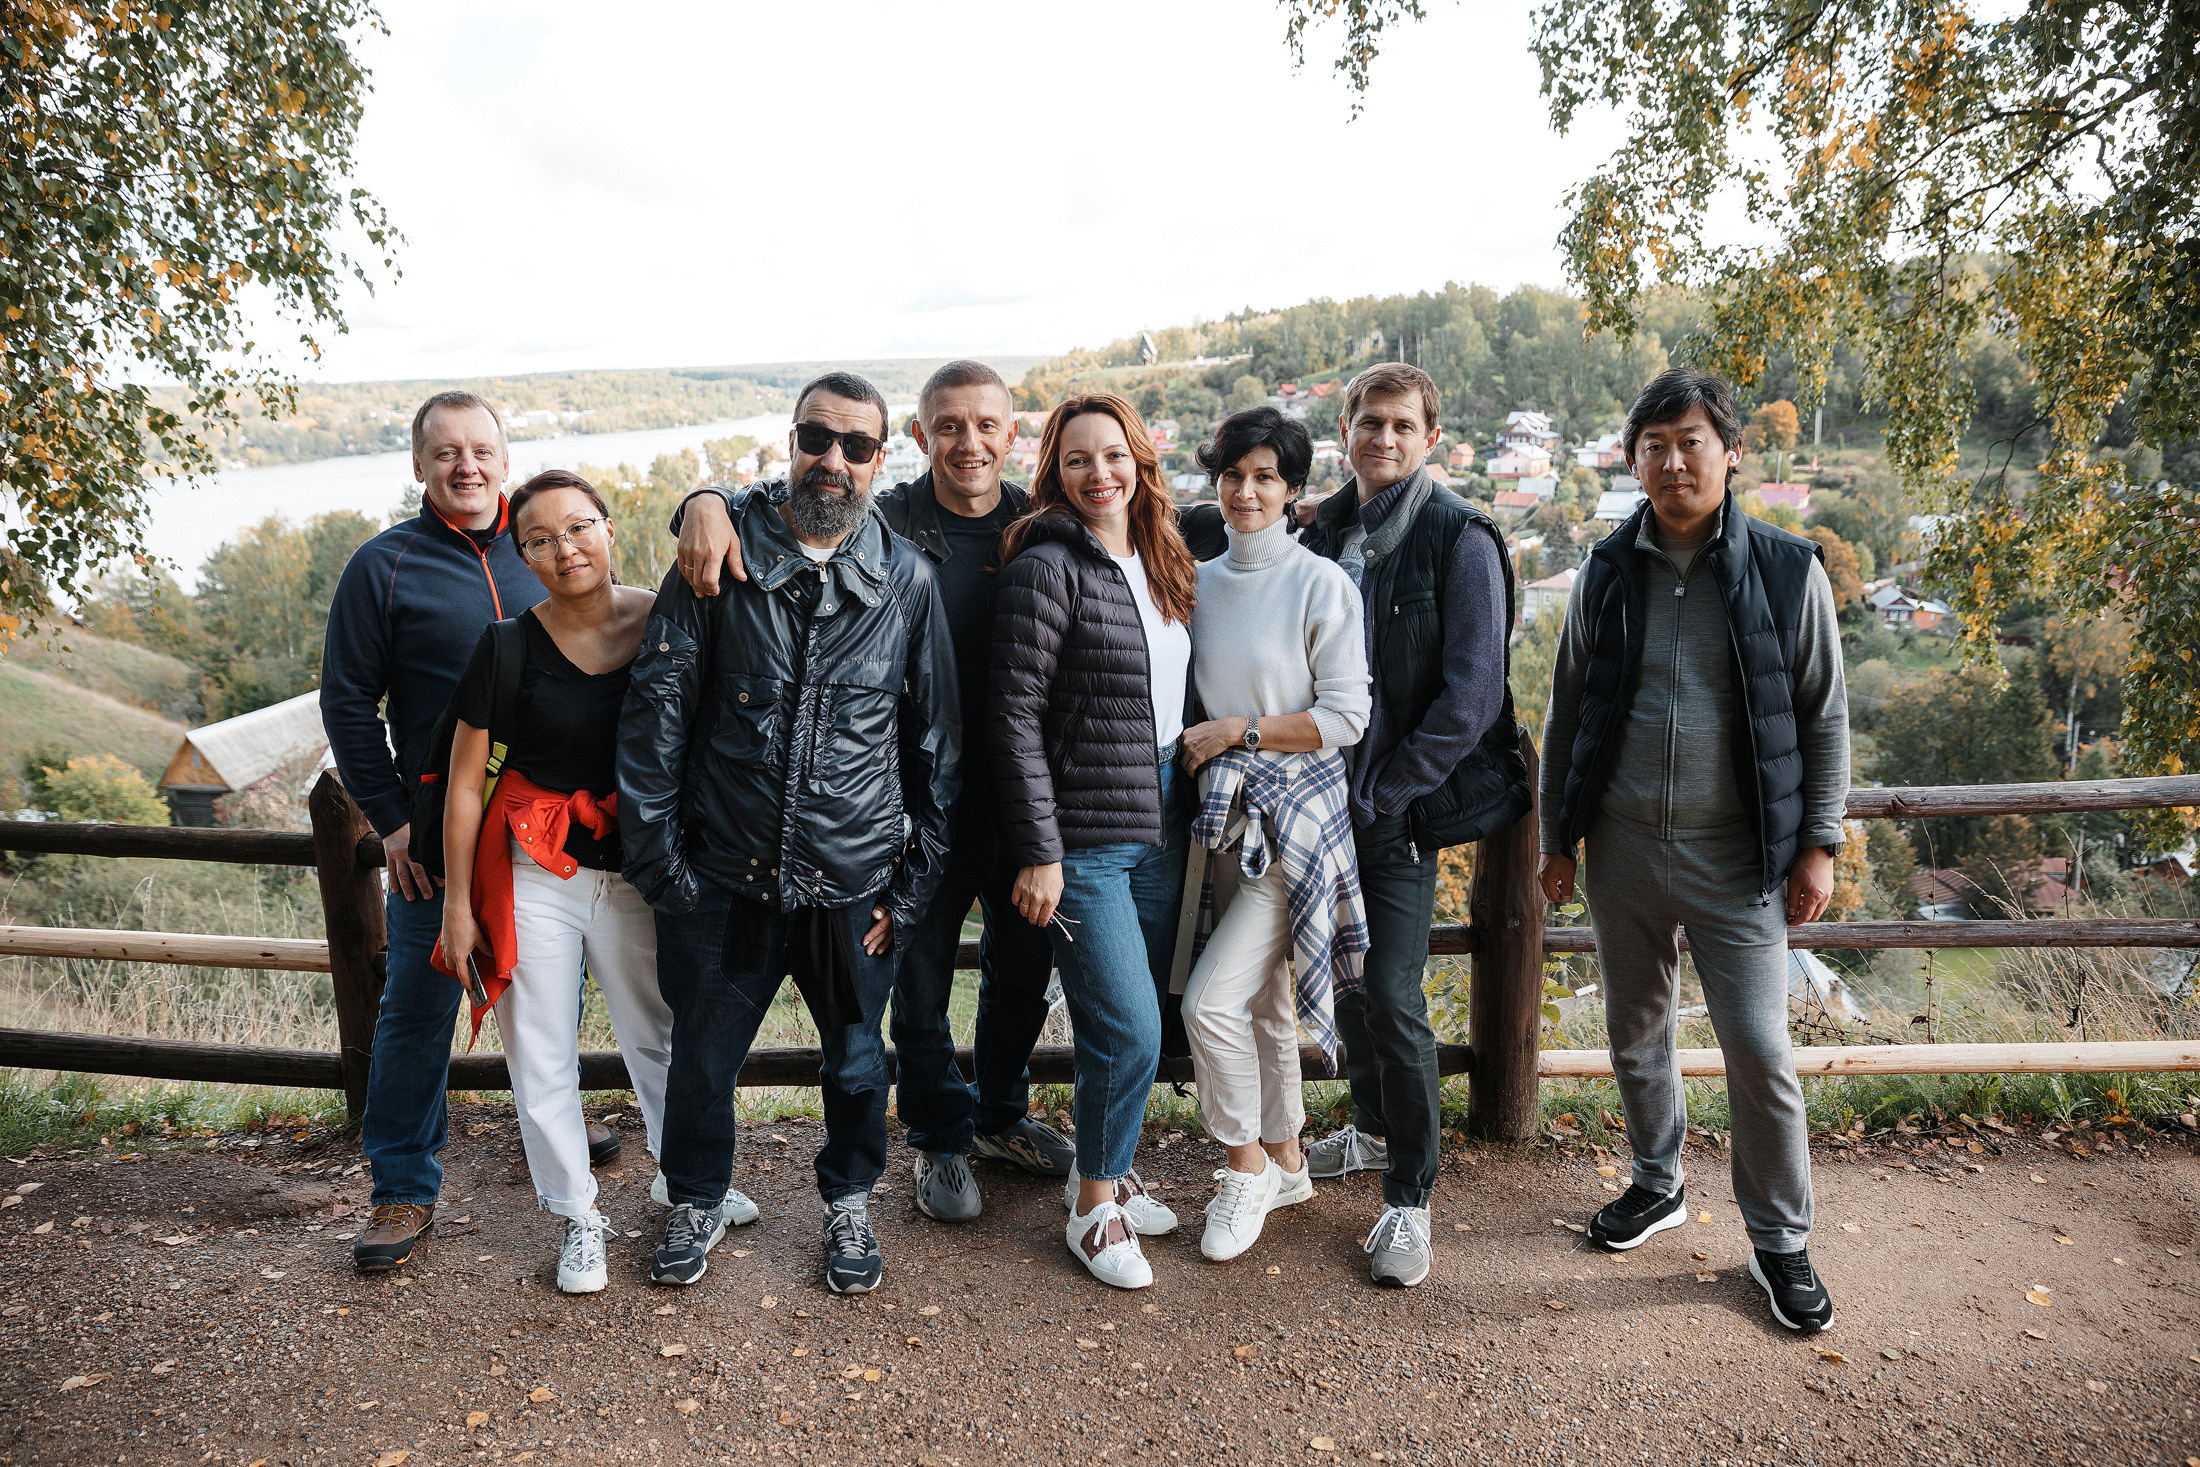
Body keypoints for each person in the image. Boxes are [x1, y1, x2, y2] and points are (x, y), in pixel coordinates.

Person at [667, 362, 1073, 1223]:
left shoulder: (1042, 529)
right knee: (917, 988)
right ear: (920, 441)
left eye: (987, 425)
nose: (969, 442)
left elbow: (1141, 528)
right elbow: (773, 517)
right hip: (889, 806)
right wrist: (699, 497)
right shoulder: (881, 525)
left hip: (1020, 796)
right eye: (950, 425)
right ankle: (937, 1139)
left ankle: (999, 1116)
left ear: (1011, 435)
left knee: (1019, 975)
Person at [618, 370, 959, 1296]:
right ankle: (696, 1196)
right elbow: (657, 716)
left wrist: (912, 888)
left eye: (856, 446)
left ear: (882, 460)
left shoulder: (907, 584)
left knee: (856, 1062)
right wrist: (665, 871)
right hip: (722, 879)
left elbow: (934, 747)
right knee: (703, 1056)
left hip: (853, 888)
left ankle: (847, 1200)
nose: (834, 461)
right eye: (818, 438)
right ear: (792, 440)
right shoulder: (715, 561)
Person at [1538, 367, 1848, 1333]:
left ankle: (1780, 1239)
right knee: (1637, 1029)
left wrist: (1820, 844)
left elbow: (1824, 717)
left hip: (1738, 857)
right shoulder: (1605, 570)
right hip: (1624, 845)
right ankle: (1658, 1180)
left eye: (1692, 442)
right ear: (1633, 460)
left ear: (1731, 452)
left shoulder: (1789, 570)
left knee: (1760, 1049)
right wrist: (1558, 837)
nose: (1674, 461)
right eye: (1655, 446)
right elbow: (1567, 710)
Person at [435, 471, 755, 1293]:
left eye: (578, 527)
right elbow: (466, 783)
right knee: (540, 1048)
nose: (564, 548)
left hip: (646, 868)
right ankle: (579, 1216)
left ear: (609, 528)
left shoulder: (668, 617)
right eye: (539, 539)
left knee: (662, 1036)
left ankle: (686, 1179)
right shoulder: (507, 646)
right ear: (524, 556)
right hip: (538, 871)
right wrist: (458, 907)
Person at [322, 392, 606, 1271]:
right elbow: (347, 703)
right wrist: (395, 819)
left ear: (505, 458)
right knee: (417, 1002)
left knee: (555, 986)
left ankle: (557, 1128)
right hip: (439, 834)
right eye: (445, 452)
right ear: (419, 466)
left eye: (481, 448)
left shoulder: (544, 551)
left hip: (543, 830)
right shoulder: (385, 566)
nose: (466, 465)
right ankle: (402, 1185)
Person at [1297, 363, 1531, 1288]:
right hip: (1320, 800)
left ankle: (1410, 1197)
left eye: (1402, 425)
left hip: (1393, 806)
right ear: (1344, 428)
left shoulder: (1459, 537)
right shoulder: (1323, 527)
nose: (1383, 439)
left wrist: (1391, 789)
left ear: (1431, 438)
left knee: (1391, 991)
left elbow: (1472, 694)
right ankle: (1370, 1125)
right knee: (1347, 987)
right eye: (1368, 423)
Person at [990, 391, 1194, 1290]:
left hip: (1161, 816)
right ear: (1055, 472)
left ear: (1140, 459)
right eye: (1077, 460)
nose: (1098, 473)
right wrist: (1042, 850)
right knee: (1131, 1026)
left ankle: (1099, 1168)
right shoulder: (1048, 564)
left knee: (1132, 1019)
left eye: (1113, 455)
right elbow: (1013, 715)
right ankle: (1091, 1213)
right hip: (1084, 831)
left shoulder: (1161, 556)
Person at [1174, 408, 1372, 1263]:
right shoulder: (1198, 580)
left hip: (1295, 822)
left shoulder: (1321, 582)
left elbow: (1347, 715)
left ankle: (1243, 1167)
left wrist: (1239, 732)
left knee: (1206, 1002)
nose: (1246, 491)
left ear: (1294, 491)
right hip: (1223, 819)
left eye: (1265, 477)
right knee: (1258, 1005)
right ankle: (1289, 1159)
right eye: (1232, 475)